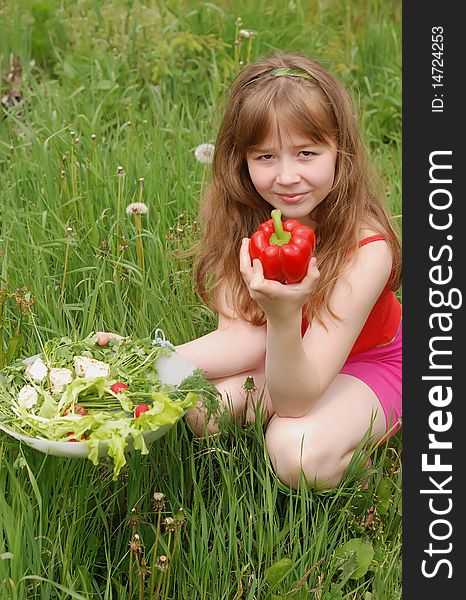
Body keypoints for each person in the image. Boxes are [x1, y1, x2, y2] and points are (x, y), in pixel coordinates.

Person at [98, 52, 402, 490]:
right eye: (265, 157)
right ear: (241, 160)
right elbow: (243, 336)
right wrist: (145, 363)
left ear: (342, 152)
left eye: (306, 153)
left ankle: (378, 488)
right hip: (291, 358)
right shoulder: (246, 224)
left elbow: (294, 401)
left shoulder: (366, 249)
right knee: (206, 409)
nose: (286, 176)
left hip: (372, 361)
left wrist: (282, 315)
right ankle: (332, 434)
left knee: (295, 452)